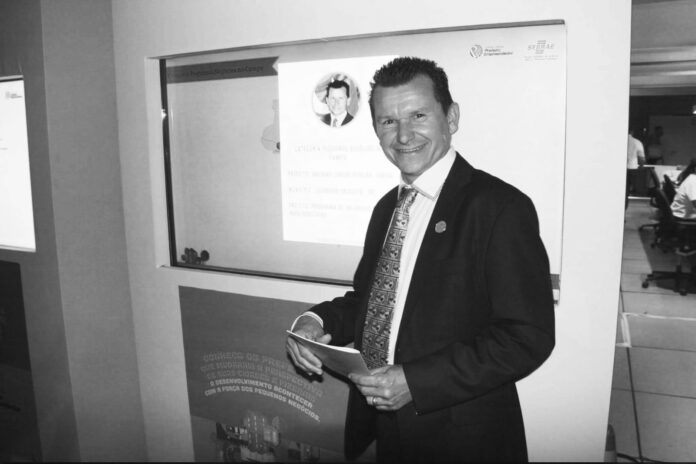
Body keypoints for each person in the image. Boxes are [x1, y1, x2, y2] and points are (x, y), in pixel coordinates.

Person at [286, 57, 555, 462]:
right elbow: (372, 303)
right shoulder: (386, 208)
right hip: (385, 429)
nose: (403, 135)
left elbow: (526, 336)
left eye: (418, 115)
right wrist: (316, 322)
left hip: (463, 438)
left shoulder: (499, 207)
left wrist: (416, 381)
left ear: (452, 117)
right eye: (388, 121)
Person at [626, 129, 646, 209]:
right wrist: (641, 166)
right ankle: (624, 208)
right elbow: (641, 158)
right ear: (632, 132)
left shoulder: (617, 141)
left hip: (619, 170)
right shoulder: (637, 142)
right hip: (631, 168)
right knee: (626, 190)